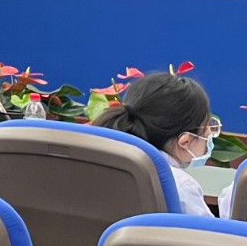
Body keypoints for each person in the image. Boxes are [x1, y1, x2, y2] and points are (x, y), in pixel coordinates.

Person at [94, 71, 219, 218]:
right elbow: (208, 232)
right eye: (208, 128)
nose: (210, 134)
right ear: (185, 141)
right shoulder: (181, 186)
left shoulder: (102, 165)